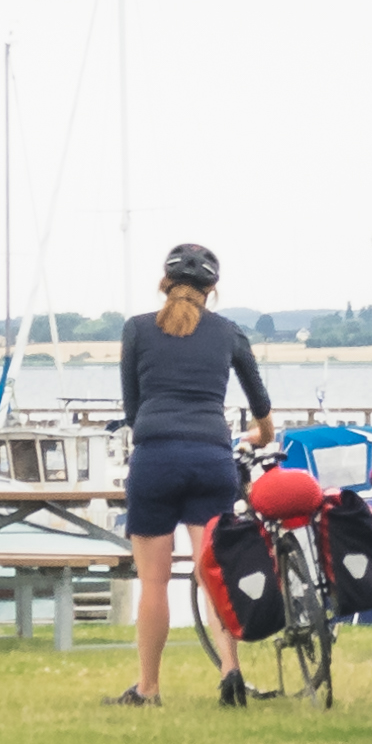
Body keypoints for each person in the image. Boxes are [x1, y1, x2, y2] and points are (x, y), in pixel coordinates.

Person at [112, 241, 272, 706]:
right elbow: (260, 403)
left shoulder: (137, 329)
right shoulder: (228, 333)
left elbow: (132, 406)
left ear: (165, 284)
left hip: (155, 458)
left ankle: (149, 688)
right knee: (213, 573)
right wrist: (261, 435)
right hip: (210, 458)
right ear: (212, 289)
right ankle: (230, 670)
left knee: (154, 582)